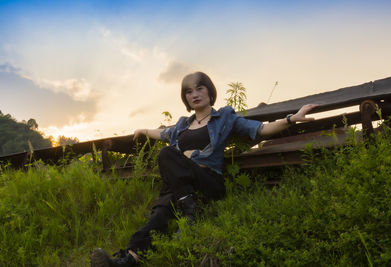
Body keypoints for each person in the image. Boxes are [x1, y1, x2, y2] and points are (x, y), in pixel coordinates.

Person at [90, 72, 317, 266]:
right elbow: (162, 133)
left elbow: (260, 130)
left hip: (208, 181)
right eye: (189, 92)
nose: (194, 94)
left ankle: (191, 213)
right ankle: (128, 259)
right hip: (183, 189)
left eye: (199, 88)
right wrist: (142, 129)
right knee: (159, 214)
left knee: (167, 154)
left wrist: (291, 118)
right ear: (185, 98)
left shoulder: (224, 118)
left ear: (210, 92)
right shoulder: (182, 125)